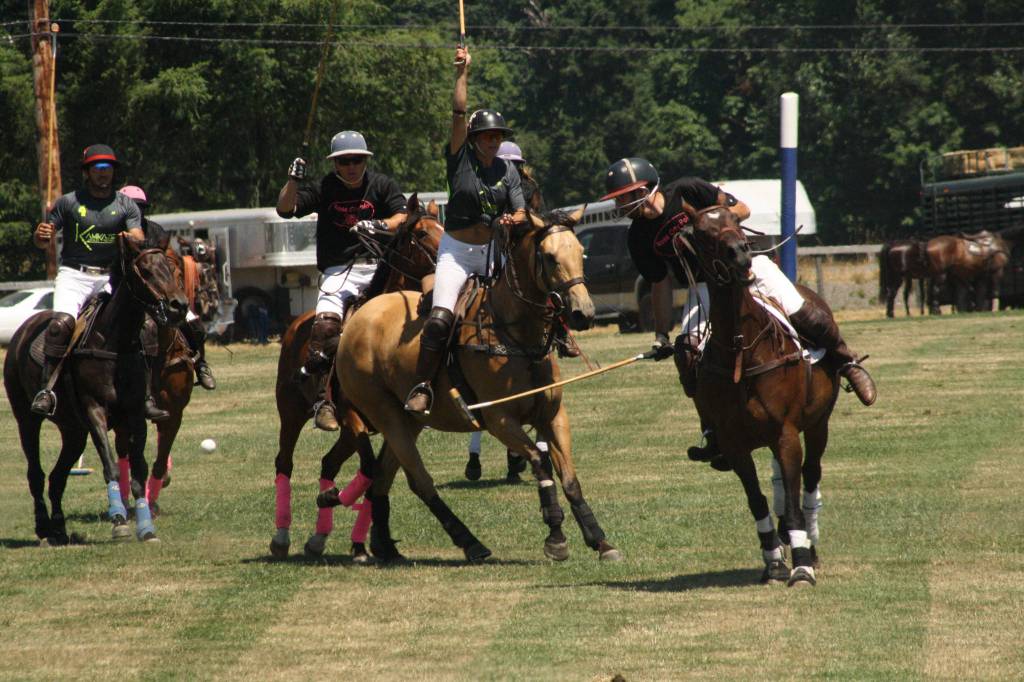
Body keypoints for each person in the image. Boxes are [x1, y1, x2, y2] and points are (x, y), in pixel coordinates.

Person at [599, 157, 877, 468]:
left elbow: (742, 209)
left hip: (743, 265)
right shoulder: (638, 237)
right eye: (618, 199)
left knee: (804, 312)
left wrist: (704, 225)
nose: (620, 205)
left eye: (624, 196)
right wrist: (661, 333)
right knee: (688, 351)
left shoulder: (687, 190)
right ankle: (712, 429)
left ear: (646, 188)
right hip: (704, 286)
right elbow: (659, 283)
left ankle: (846, 361)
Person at [403, 44, 526, 414]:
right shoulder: (461, 162)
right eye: (488, 136)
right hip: (457, 253)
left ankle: (540, 360)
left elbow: (520, 211)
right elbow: (458, 112)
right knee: (441, 319)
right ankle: (422, 386)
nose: (494, 140)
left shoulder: (508, 171)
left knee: (531, 301)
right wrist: (462, 73)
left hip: (493, 252)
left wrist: (512, 220)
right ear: (473, 139)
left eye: (498, 136)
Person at [276, 130, 408, 430]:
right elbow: (285, 209)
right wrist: (293, 181)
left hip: (378, 267)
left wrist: (378, 224)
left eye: (357, 160)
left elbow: (403, 216)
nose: (352, 166)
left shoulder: (382, 185)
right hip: (338, 271)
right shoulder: (325, 187)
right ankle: (324, 402)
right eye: (345, 161)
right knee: (324, 327)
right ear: (336, 164)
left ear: (365, 161)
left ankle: (415, 392)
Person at [29, 144, 165, 420]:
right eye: (98, 168)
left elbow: (137, 236)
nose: (104, 174)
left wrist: (133, 239)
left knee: (146, 327)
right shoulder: (67, 202)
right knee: (60, 325)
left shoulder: (125, 204)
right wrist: (41, 235)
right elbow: (43, 241)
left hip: (110, 275)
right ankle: (47, 390)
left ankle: (146, 395)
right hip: (74, 275)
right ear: (87, 172)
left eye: (108, 168)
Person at [120, 185, 217, 415]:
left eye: (140, 208)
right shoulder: (114, 232)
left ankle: (201, 364)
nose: (137, 212)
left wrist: (172, 288)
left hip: (159, 294)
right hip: (130, 297)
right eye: (131, 208)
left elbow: (171, 262)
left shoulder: (156, 232)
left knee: (195, 325)